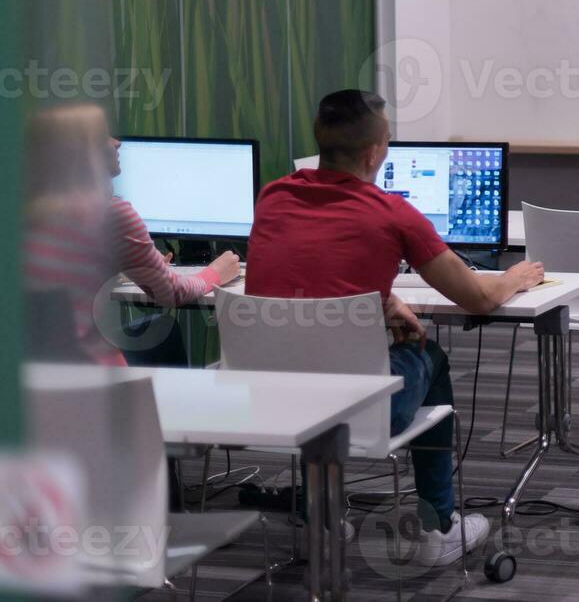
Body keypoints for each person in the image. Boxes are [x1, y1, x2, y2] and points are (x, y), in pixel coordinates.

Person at [247, 89, 545, 566]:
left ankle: (319, 520)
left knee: (301, 362)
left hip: (266, 402)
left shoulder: (274, 196)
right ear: (374, 153)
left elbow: (306, 275)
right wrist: (515, 276)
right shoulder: (391, 213)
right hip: (359, 413)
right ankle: (437, 529)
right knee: (431, 357)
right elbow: (479, 298)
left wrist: (379, 301)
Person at [105, 136, 239, 355]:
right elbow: (171, 294)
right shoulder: (113, 212)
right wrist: (215, 273)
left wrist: (127, 266)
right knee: (163, 331)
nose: (117, 142)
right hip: (88, 364)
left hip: (46, 357)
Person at [23, 103, 122, 365]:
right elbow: (167, 291)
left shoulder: (25, 219)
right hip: (88, 373)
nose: (117, 142)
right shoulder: (104, 215)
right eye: (103, 136)